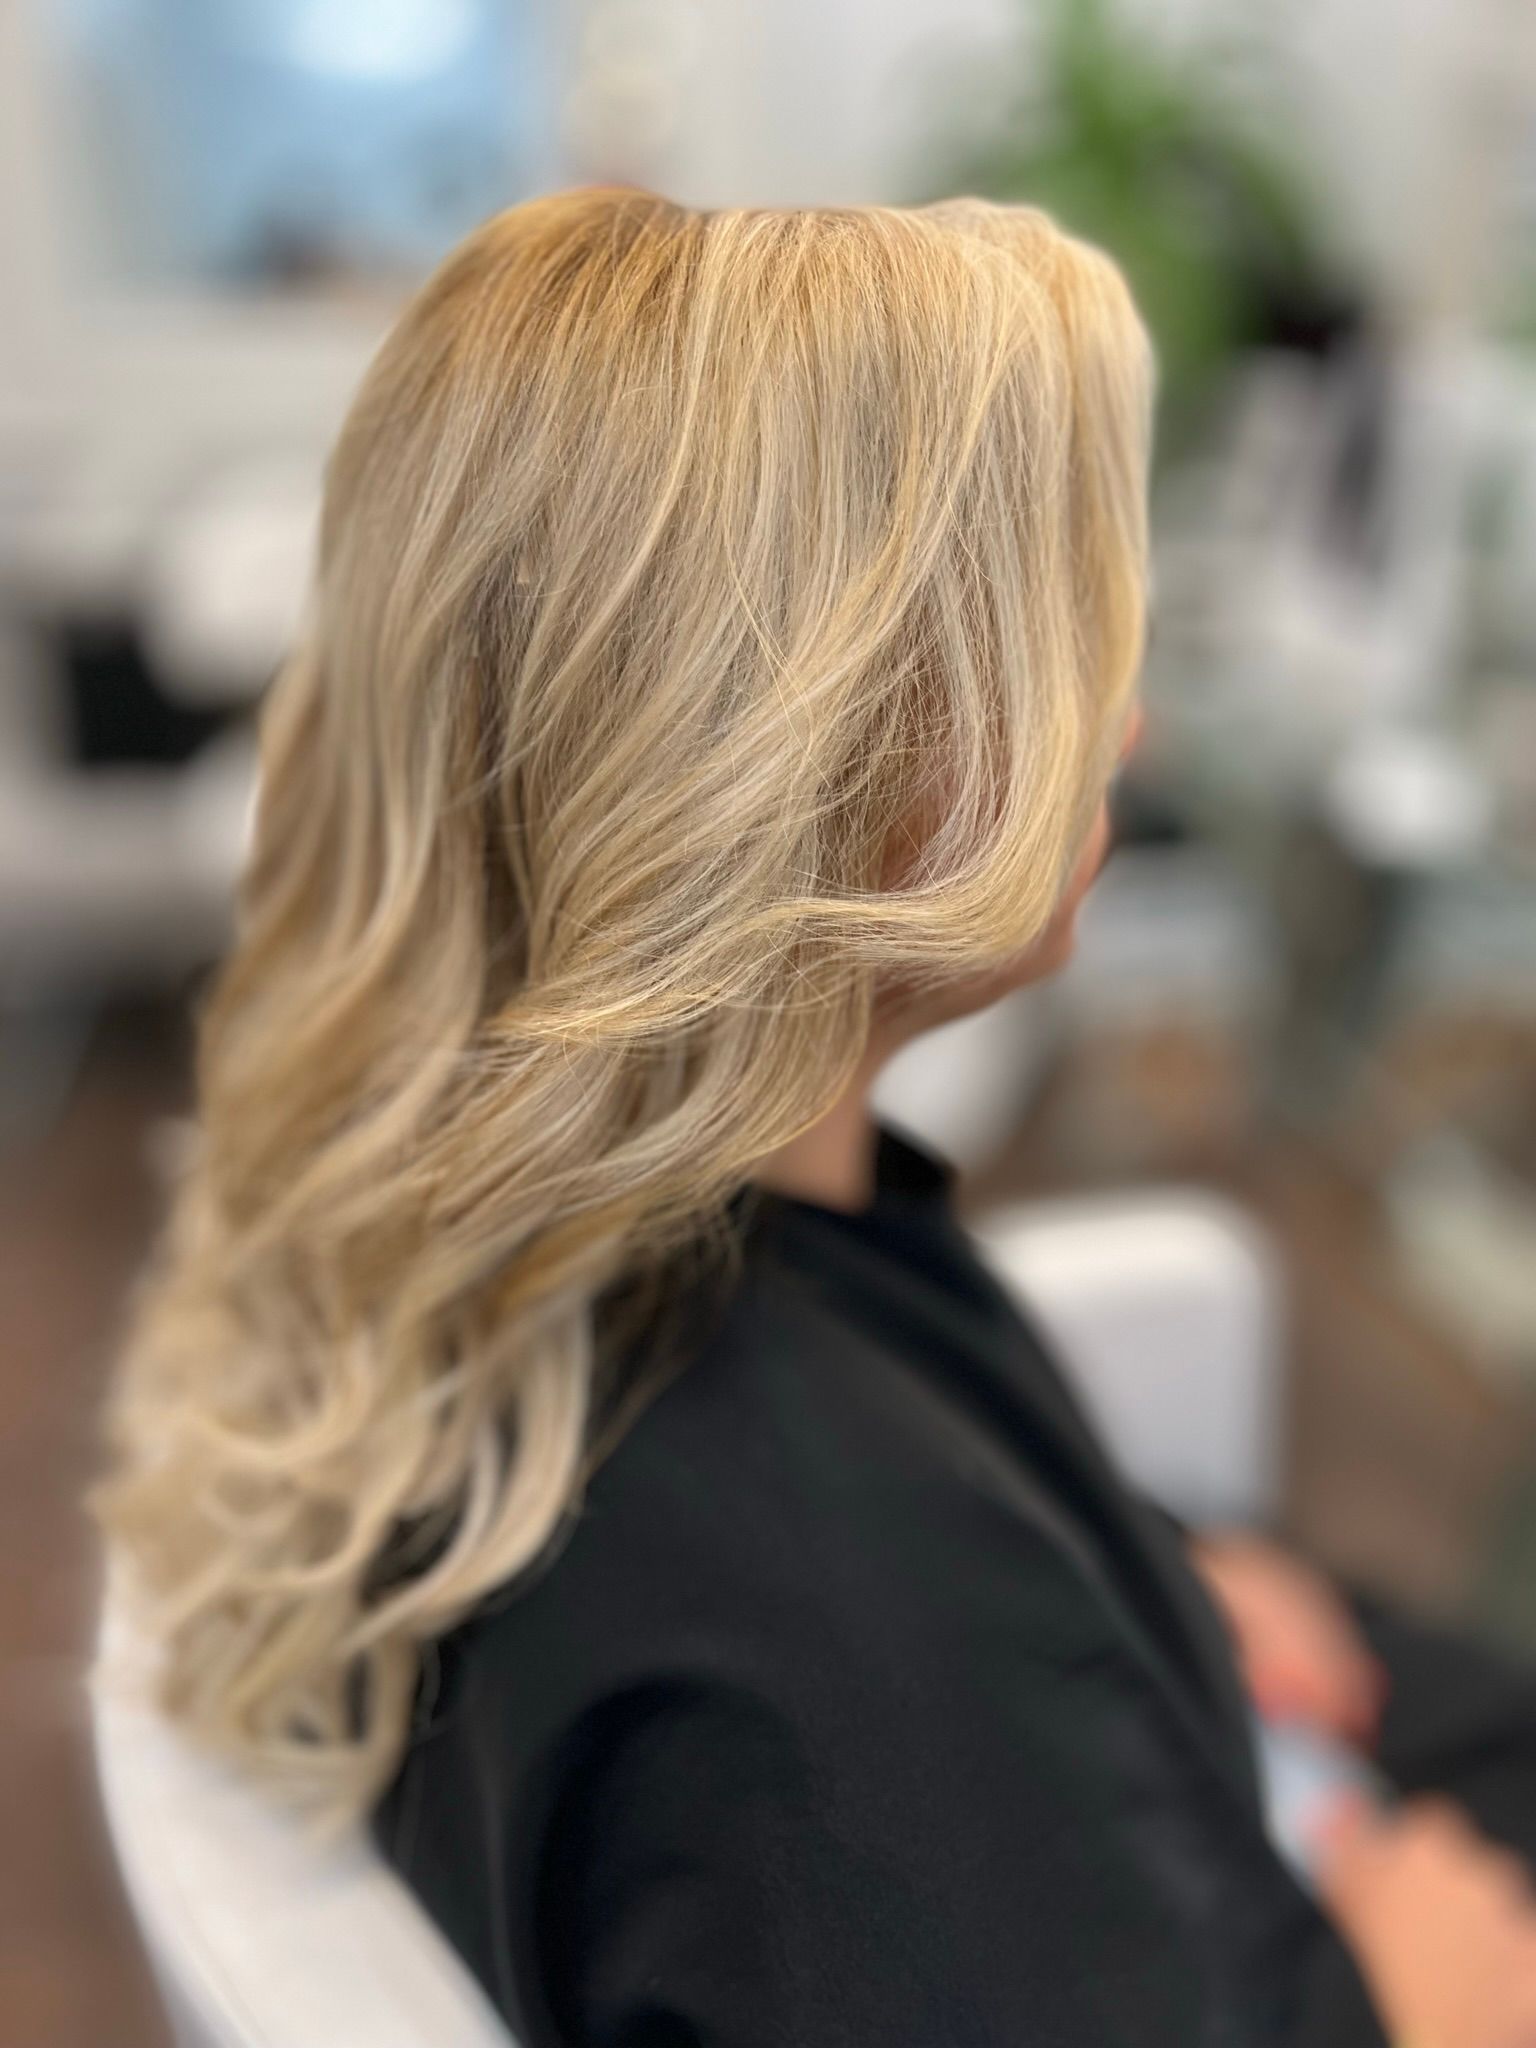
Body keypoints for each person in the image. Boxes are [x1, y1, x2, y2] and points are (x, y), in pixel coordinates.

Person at [100, 188, 1536, 2047]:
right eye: (1067, 622)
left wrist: (1142, 1575)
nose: (1129, 712)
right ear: (833, 761)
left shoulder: (482, 1247)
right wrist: (1425, 2007)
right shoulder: (862, 1656)